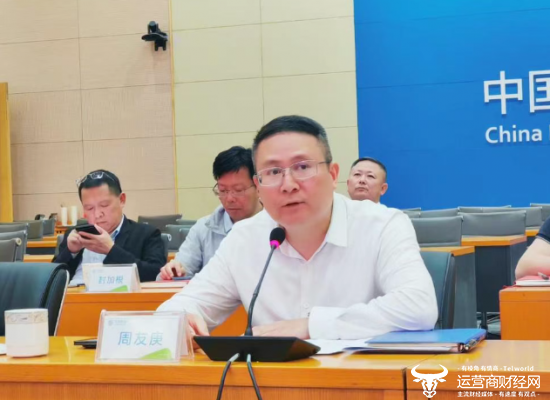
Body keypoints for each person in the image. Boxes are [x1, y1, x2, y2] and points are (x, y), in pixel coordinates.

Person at [158, 115, 437, 342]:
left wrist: (311, 326)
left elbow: (419, 307)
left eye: (302, 167)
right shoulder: (244, 238)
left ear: (333, 175)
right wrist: (182, 319)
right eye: (273, 172)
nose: (288, 184)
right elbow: (180, 308)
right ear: (258, 186)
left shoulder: (382, 225)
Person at [159, 146, 262, 279]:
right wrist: (173, 272)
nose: (229, 198)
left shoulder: (277, 225)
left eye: (238, 190)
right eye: (223, 190)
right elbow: (180, 268)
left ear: (258, 186)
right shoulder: (203, 229)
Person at [54, 170, 166, 283]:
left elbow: (156, 275)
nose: (97, 214)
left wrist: (111, 250)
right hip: (73, 293)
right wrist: (71, 252)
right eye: (89, 208)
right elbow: (51, 278)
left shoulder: (146, 234)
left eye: (104, 205)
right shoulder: (75, 235)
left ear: (122, 200)